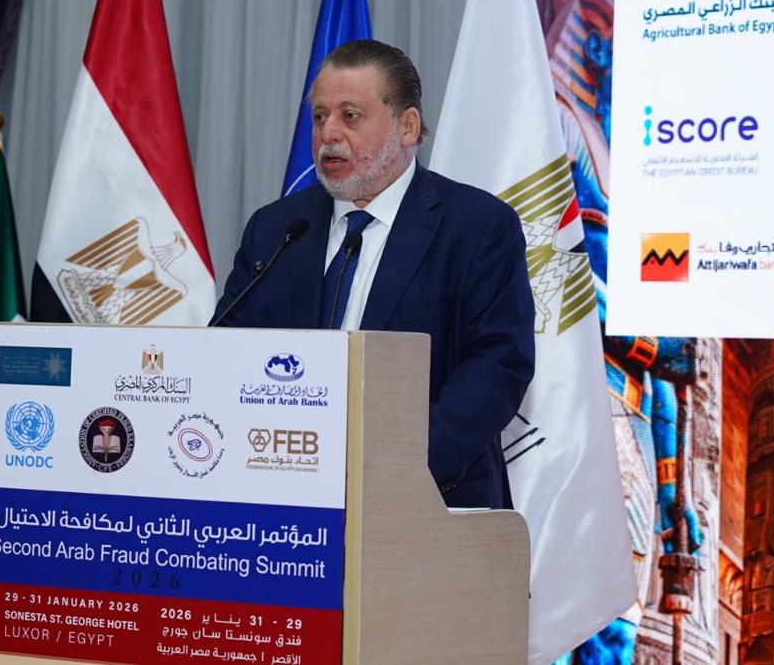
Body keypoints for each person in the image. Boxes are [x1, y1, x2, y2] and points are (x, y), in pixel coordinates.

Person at [214, 39, 535, 509]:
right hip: (281, 494)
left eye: (350, 115)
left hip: (426, 501)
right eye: (319, 116)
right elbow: (225, 351)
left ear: (407, 126)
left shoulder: (476, 226)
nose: (328, 134)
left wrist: (392, 472)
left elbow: (497, 368)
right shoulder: (276, 228)